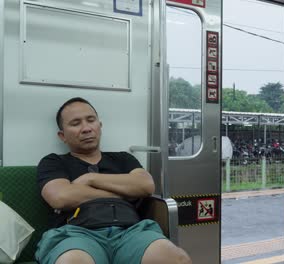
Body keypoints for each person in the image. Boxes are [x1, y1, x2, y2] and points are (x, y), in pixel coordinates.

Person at [36, 97, 192, 264]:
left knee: (177, 259)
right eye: (75, 123)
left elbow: (145, 185)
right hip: (76, 234)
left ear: (100, 126)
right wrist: (125, 193)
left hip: (131, 232)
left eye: (91, 120)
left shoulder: (123, 159)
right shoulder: (54, 162)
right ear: (62, 136)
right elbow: (60, 197)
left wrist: (90, 178)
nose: (87, 128)